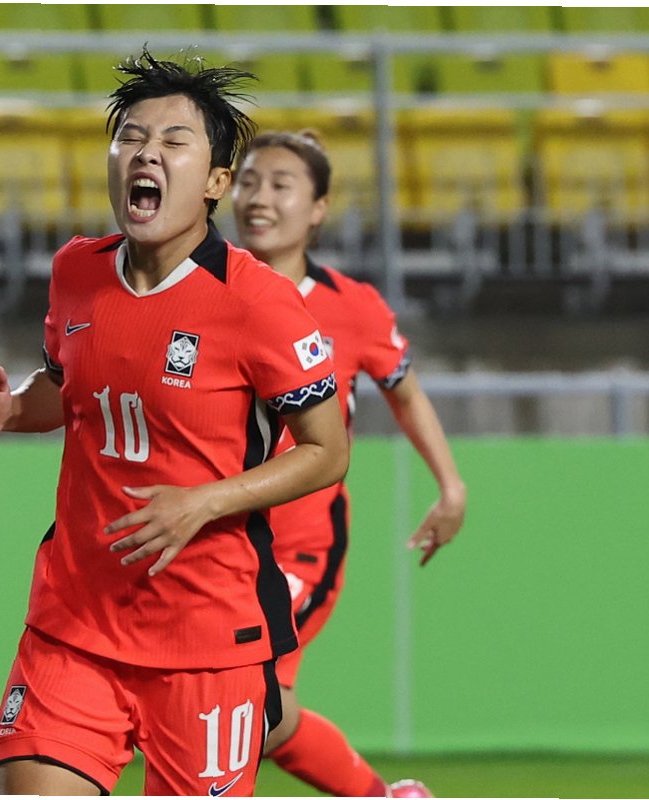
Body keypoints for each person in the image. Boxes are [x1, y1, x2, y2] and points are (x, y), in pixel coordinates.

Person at [0, 52, 350, 796]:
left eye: (173, 141)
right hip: (75, 621)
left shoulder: (259, 302)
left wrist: (203, 501)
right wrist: (10, 412)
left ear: (215, 183)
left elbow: (327, 451)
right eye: (131, 137)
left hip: (209, 638)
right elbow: (63, 389)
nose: (145, 153)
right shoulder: (76, 271)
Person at [231, 129, 467, 798]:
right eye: (249, 181)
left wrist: (450, 487)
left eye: (281, 185)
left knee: (237, 701)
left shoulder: (351, 306)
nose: (259, 197)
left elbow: (405, 395)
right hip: (216, 539)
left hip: (298, 547)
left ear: (318, 210)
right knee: (257, 715)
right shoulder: (201, 293)